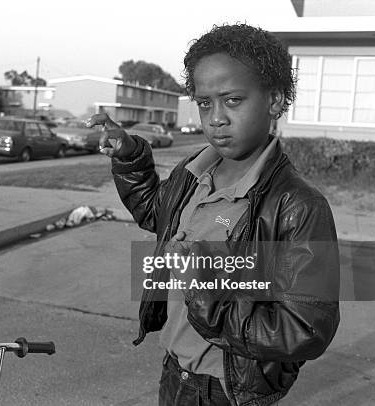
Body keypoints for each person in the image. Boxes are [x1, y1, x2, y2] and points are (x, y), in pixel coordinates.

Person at [87, 24, 340, 406]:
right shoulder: (194, 172)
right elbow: (158, 213)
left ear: (274, 100)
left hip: (227, 391)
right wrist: (129, 156)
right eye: (205, 103)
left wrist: (206, 299)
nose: (216, 118)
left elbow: (305, 329)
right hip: (173, 373)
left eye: (233, 100)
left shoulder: (298, 206)